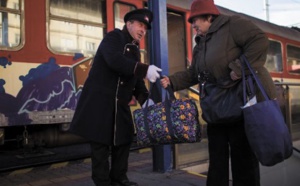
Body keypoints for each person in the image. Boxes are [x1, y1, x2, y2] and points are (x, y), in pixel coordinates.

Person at [160, 0, 277, 186]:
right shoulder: (200, 45)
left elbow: (259, 40)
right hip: (215, 110)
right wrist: (172, 81)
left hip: (240, 108)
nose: (193, 25)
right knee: (216, 163)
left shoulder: (233, 25)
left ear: (208, 16)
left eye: (195, 20)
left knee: (243, 162)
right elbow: (194, 74)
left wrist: (238, 68)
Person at [70, 8, 161, 186]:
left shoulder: (134, 49)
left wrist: (144, 99)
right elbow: (115, 61)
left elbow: (134, 78)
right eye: (140, 25)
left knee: (124, 141)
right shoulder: (113, 38)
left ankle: (119, 178)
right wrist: (144, 69)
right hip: (101, 103)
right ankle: (102, 182)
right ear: (129, 24)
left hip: (119, 104)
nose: (143, 30)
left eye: (145, 27)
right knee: (100, 146)